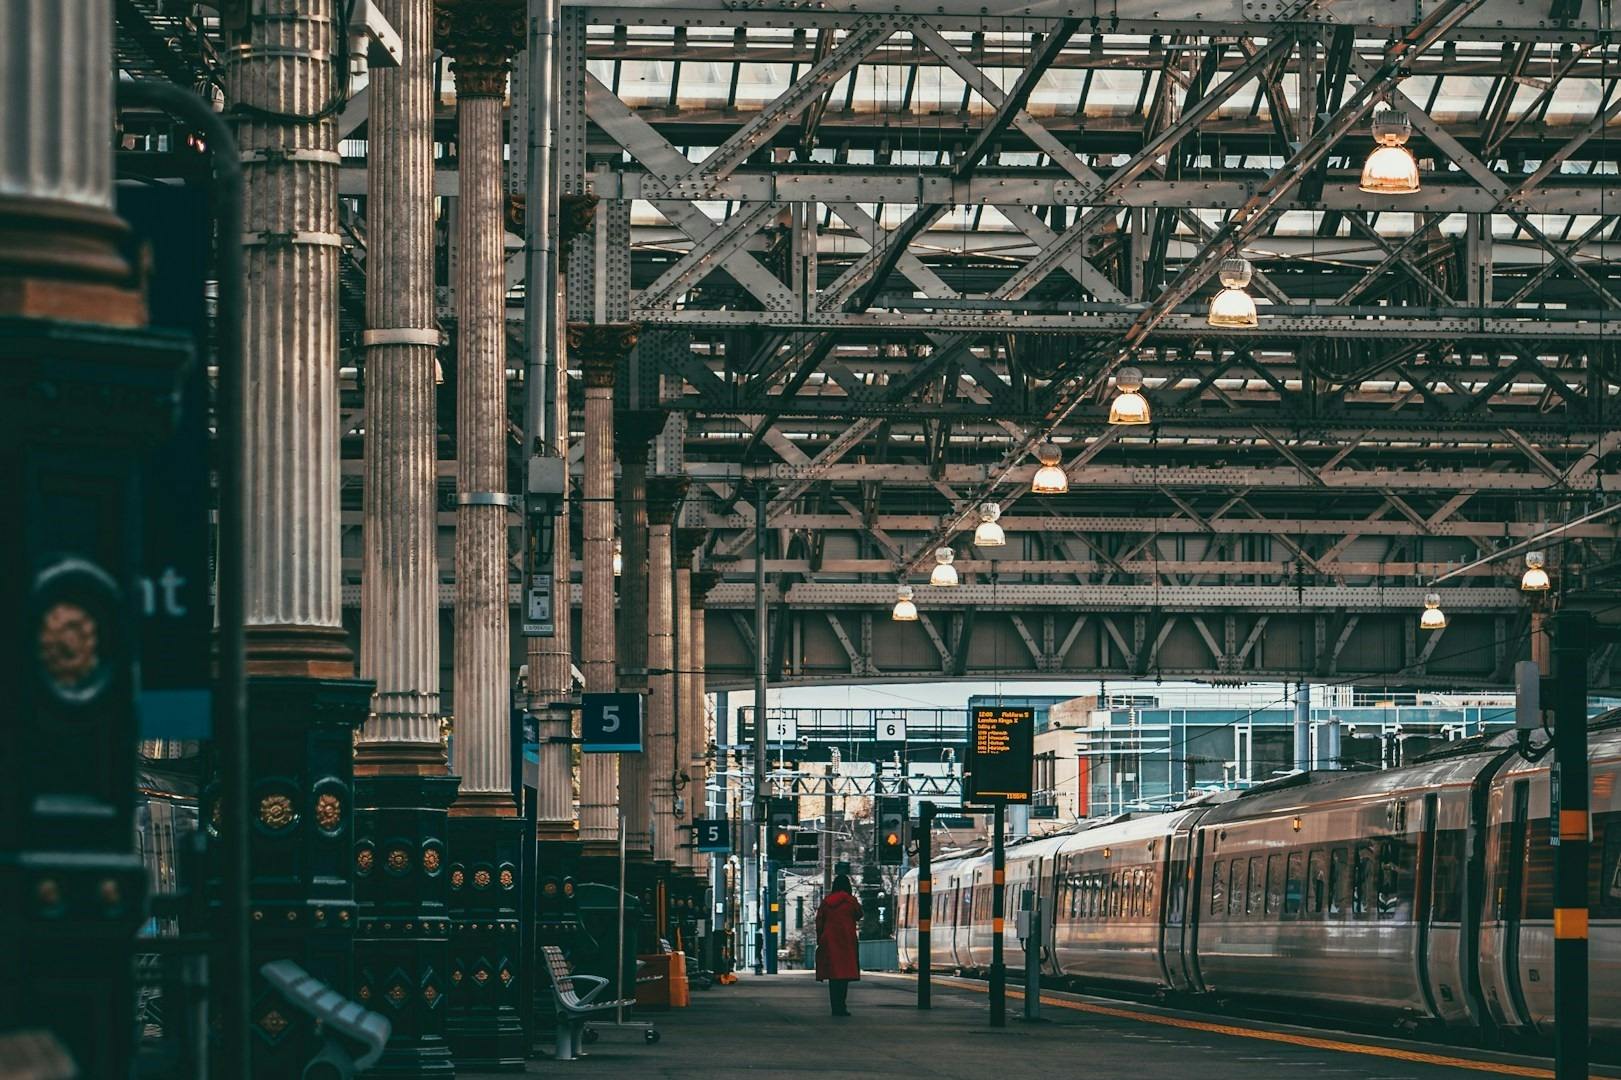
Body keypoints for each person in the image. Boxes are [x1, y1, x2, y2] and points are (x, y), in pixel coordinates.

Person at [814, 874, 862, 1016]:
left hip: (829, 941)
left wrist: (820, 939)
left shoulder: (826, 902)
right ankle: (842, 1005)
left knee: (833, 975)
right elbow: (859, 914)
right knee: (844, 975)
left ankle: (835, 1006)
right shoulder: (851, 901)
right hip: (846, 941)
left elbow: (819, 922)